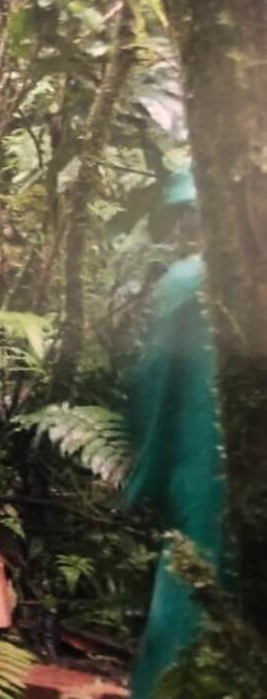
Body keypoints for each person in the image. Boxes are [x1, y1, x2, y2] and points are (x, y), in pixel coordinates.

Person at [125, 171, 228, 698]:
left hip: (201, 466)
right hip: (217, 461)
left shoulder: (189, 281)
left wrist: (144, 476)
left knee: (186, 597)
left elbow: (155, 380)